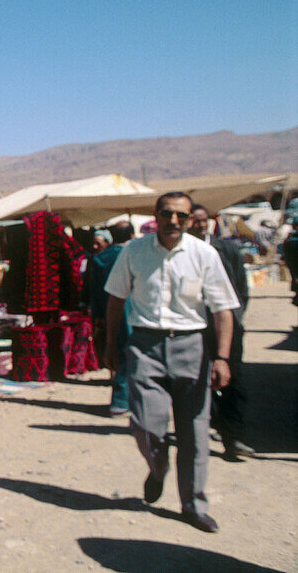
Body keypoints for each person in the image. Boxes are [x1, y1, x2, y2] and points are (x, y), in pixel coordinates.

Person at [104, 192, 240, 533]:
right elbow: (115, 299)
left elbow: (224, 309)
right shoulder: (134, 252)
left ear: (191, 219)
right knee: (146, 427)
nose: (174, 222)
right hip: (145, 346)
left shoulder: (204, 254)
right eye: (167, 214)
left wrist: (222, 357)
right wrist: (109, 344)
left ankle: (193, 504)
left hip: (192, 347)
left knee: (194, 432)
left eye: (181, 216)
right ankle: (158, 466)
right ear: (156, 216)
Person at [188, 204, 252, 462]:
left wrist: (233, 319)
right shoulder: (180, 252)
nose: (201, 226)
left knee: (232, 379)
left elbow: (241, 289)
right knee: (197, 382)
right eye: (195, 221)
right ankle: (204, 429)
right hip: (194, 327)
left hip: (226, 328)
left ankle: (232, 437)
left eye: (205, 221)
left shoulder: (228, 250)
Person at [89, 221, 135, 416]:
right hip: (132, 308)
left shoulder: (100, 258)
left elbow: (95, 289)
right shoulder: (135, 255)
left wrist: (98, 314)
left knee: (119, 349)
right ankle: (121, 401)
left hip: (110, 309)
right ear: (132, 235)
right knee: (129, 352)